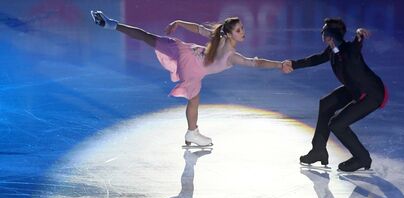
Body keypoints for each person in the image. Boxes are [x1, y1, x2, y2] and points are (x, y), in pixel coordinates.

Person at [91, 11, 286, 146]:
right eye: (239, 30)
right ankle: (192, 132)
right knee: (194, 99)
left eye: (242, 28)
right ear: (229, 33)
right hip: (192, 67)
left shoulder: (219, 36)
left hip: (184, 51)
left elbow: (199, 29)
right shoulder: (232, 56)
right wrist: (279, 65)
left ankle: (109, 23)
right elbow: (256, 63)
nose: (243, 32)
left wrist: (179, 22)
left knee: (147, 37)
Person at [283, 18, 388, 172]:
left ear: (330, 35)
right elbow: (316, 59)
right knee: (326, 103)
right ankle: (318, 150)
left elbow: (356, 45)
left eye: (324, 31)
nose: (322, 34)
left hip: (371, 93)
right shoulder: (332, 50)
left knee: (337, 124)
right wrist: (294, 64)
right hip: (355, 88)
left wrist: (359, 35)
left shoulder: (350, 50)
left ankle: (362, 157)